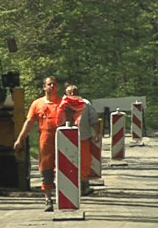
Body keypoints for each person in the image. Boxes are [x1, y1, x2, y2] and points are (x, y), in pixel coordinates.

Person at [14, 76, 62, 211]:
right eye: (49, 84)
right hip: (46, 141)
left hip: (63, 140)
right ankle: (48, 199)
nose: (52, 87)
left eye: (54, 84)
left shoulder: (63, 103)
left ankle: (65, 198)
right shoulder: (37, 104)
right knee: (46, 171)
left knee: (65, 168)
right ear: (44, 87)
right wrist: (20, 139)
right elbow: (29, 123)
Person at [56, 85, 97, 196]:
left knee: (84, 161)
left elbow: (93, 119)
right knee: (65, 161)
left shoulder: (85, 103)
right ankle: (65, 184)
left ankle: (84, 184)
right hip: (65, 138)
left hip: (82, 137)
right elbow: (57, 120)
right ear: (66, 93)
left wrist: (97, 133)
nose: (72, 93)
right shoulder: (62, 103)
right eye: (70, 92)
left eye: (75, 91)